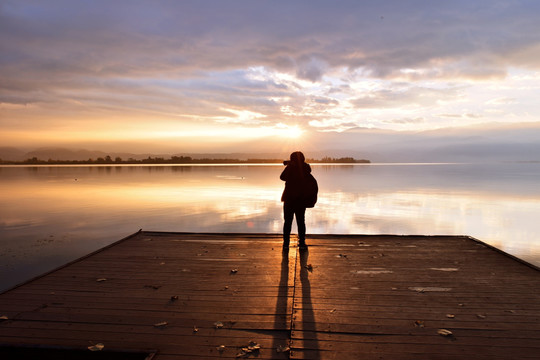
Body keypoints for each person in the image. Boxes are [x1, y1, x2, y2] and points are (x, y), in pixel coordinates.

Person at [280, 151, 311, 250]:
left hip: (289, 199)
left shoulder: (301, 168)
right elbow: (282, 177)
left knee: (288, 222)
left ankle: (286, 244)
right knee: (301, 221)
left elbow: (282, 177)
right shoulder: (306, 167)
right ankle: (301, 243)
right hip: (300, 199)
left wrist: (290, 166)